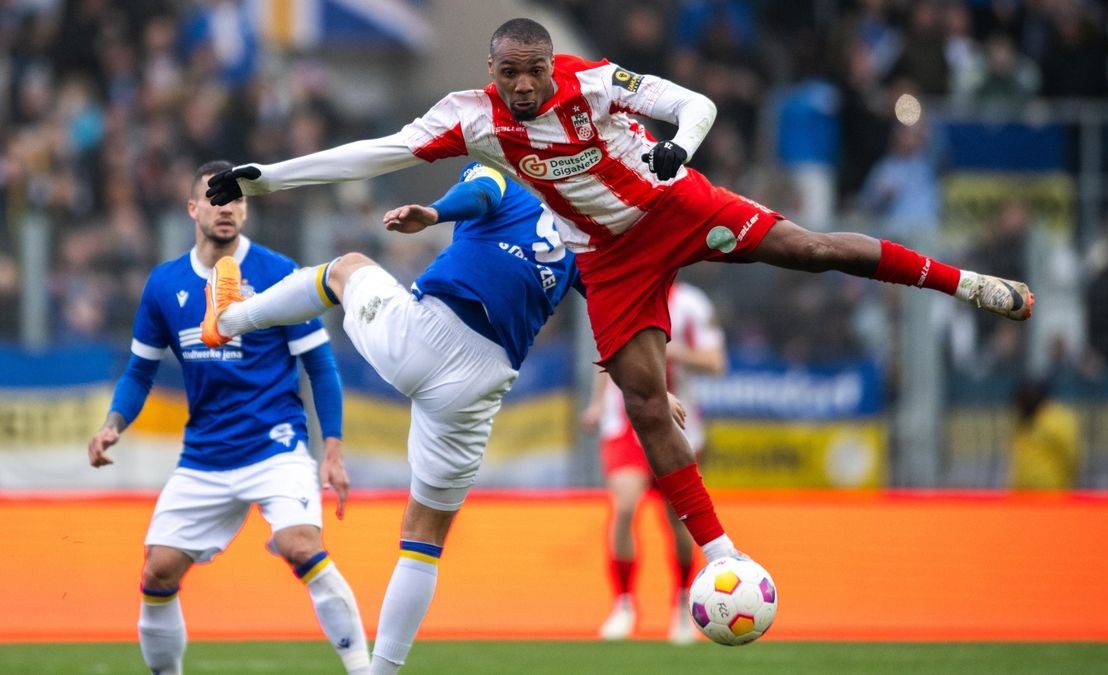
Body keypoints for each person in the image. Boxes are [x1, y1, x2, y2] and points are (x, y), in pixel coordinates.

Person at [206, 17, 1034, 571]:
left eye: (533, 71)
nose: (525, 86)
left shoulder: (594, 81)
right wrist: (269, 178)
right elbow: (379, 151)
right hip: (606, 257)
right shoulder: (476, 117)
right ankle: (719, 554)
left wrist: (682, 148)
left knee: (810, 248)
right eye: (510, 74)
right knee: (645, 404)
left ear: (547, 66)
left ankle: (967, 282)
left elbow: (694, 104)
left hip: (673, 205)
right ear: (490, 71)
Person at [201, 163, 592, 673]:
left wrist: (433, 212)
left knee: (346, 268)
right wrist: (649, 390)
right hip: (482, 383)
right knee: (425, 538)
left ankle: (231, 319)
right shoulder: (587, 237)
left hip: (424, 336)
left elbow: (477, 193)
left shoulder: (503, 169)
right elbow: (611, 314)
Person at [87, 161, 369, 674]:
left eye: (235, 198)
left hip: (275, 446)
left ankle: (364, 671)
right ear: (192, 208)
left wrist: (332, 448)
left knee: (300, 544)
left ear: (246, 207)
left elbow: (320, 366)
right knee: (158, 572)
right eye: (214, 198)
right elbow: (139, 371)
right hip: (206, 456)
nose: (227, 207)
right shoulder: (163, 285)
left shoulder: (279, 273)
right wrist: (113, 423)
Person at [582, 281, 726, 644]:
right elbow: (607, 354)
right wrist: (598, 402)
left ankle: (682, 604)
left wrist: (666, 351)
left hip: (679, 423)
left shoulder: (692, 302)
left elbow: (715, 362)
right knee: (625, 507)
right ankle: (624, 604)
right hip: (625, 420)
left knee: (678, 519)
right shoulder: (624, 290)